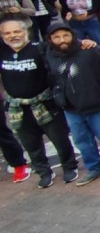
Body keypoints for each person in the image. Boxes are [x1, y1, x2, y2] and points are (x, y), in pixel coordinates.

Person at [0, 16, 77, 188]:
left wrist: (86, 43)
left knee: (60, 139)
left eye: (16, 31)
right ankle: (43, 172)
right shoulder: (2, 51)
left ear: (25, 31)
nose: (13, 36)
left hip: (45, 104)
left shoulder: (40, 48)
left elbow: (66, 51)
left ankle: (69, 167)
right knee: (31, 145)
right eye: (7, 33)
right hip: (18, 109)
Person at [44, 23, 100, 186]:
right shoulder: (49, 54)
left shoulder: (88, 50)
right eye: (56, 37)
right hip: (71, 108)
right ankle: (94, 166)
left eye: (65, 35)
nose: (62, 40)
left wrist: (97, 45)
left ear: (73, 35)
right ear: (50, 40)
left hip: (98, 104)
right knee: (82, 140)